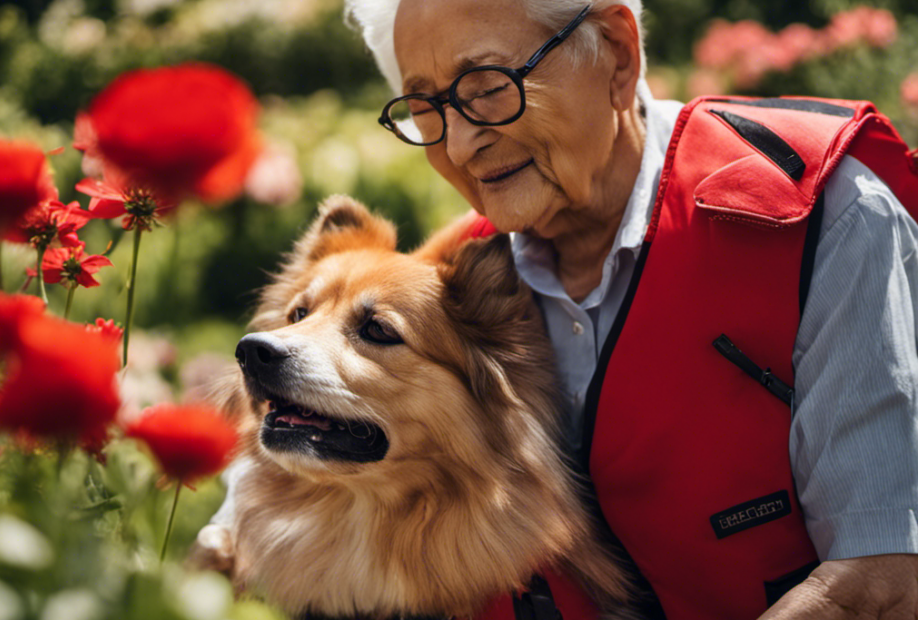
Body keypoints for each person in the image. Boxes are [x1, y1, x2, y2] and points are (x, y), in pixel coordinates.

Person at [341, 0, 918, 618]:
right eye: (427, 109)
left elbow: (877, 582)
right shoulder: (446, 289)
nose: (458, 145)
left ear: (617, 54)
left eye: (486, 87)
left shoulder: (828, 218)